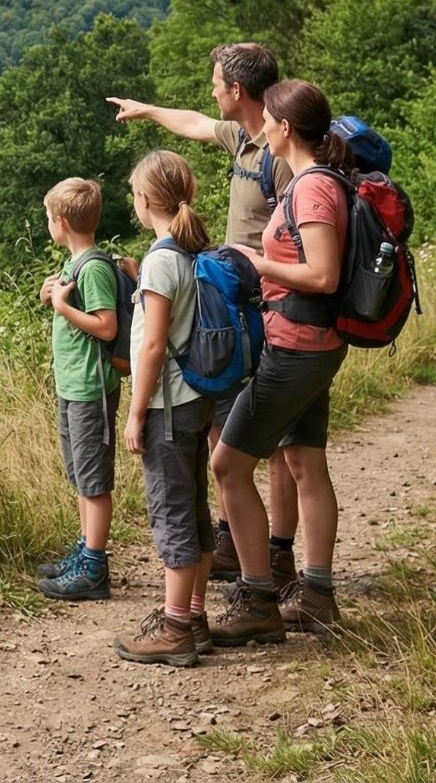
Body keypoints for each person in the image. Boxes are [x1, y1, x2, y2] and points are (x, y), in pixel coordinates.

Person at [109, 42, 302, 591]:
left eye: (217, 81)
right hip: (236, 310)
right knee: (224, 439)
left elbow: (301, 239)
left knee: (278, 449)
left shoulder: (279, 154)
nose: (212, 90)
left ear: (238, 90)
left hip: (268, 312)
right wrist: (146, 110)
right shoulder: (243, 136)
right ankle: (232, 544)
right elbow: (192, 122)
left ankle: (277, 556)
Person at [210, 80, 353, 644]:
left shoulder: (312, 188)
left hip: (296, 347)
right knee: (305, 465)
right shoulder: (317, 181)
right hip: (313, 343)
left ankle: (258, 599)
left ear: (286, 128)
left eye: (268, 120)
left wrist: (256, 261)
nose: (261, 128)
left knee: (227, 466)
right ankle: (315, 594)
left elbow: (323, 275)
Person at [113, 150, 216, 667]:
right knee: (195, 508)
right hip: (197, 400)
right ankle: (194, 618)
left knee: (172, 512)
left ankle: (175, 629)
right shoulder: (191, 250)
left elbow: (153, 346)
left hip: (167, 405)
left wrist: (135, 413)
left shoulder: (160, 260)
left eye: (134, 194)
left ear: (145, 201)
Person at [33, 177, 120, 601]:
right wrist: (51, 296)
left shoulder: (95, 267)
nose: (47, 223)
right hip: (72, 387)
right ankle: (85, 549)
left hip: (91, 389)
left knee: (94, 480)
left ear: (62, 221)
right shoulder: (73, 265)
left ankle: (94, 568)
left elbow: (107, 326)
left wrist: (64, 307)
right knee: (80, 475)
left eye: (49, 217)